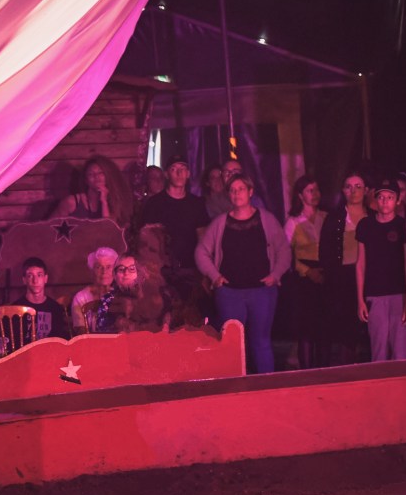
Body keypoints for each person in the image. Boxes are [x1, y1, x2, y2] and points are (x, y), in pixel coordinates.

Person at [195, 173, 291, 374]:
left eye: (241, 189)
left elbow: (284, 249)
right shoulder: (220, 223)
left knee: (261, 342)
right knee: (231, 344)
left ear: (250, 191)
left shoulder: (266, 219)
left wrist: (276, 274)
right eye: (232, 190)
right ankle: (235, 385)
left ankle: (266, 385)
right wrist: (215, 276)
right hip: (230, 293)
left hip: (262, 291)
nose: (236, 193)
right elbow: (201, 251)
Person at [141, 154, 211, 314]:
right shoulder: (155, 204)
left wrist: (204, 270)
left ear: (188, 173)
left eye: (183, 169)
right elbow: (146, 239)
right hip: (162, 271)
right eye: (174, 169)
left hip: (190, 269)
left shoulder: (197, 203)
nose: (179, 173)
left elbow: (203, 238)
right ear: (167, 174)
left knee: (191, 316)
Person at [319, 171, 372, 365]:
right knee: (346, 326)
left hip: (371, 278)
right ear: (343, 191)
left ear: (366, 190)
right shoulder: (335, 218)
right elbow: (325, 250)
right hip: (342, 279)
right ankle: (346, 367)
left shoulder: (373, 217)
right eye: (349, 187)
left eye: (358, 186)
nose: (353, 191)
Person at [356, 178, 406, 361]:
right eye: (381, 197)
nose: (385, 201)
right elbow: (360, 263)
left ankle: (402, 382)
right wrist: (360, 300)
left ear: (398, 200)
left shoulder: (403, 226)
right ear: (375, 200)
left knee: (401, 352)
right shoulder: (365, 225)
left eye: (390, 197)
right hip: (375, 295)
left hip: (399, 295)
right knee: (378, 350)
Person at [283, 175, 328, 369]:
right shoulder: (293, 222)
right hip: (304, 281)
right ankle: (307, 372)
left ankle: (326, 371)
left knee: (325, 328)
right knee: (306, 330)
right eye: (310, 190)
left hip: (326, 277)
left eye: (316, 189)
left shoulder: (326, 217)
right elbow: (285, 254)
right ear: (300, 196)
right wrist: (307, 271)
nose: (315, 194)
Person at [50, 155, 134, 229]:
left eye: (100, 173)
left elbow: (108, 230)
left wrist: (104, 202)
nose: (96, 177)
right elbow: (48, 227)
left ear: (107, 176)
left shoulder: (114, 202)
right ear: (86, 180)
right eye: (90, 174)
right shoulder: (71, 202)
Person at [96, 253, 171, 334]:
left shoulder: (153, 294)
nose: (126, 273)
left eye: (132, 269)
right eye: (121, 269)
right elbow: (103, 329)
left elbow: (165, 319)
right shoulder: (108, 299)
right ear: (115, 274)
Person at [12, 257, 69, 340]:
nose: (35, 280)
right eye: (30, 276)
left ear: (45, 278)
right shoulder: (15, 309)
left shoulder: (55, 308)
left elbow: (59, 340)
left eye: (39, 275)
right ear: (24, 280)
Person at [71, 246, 118, 335]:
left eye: (109, 267)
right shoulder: (81, 297)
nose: (104, 271)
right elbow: (81, 333)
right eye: (98, 267)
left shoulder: (122, 295)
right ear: (92, 270)